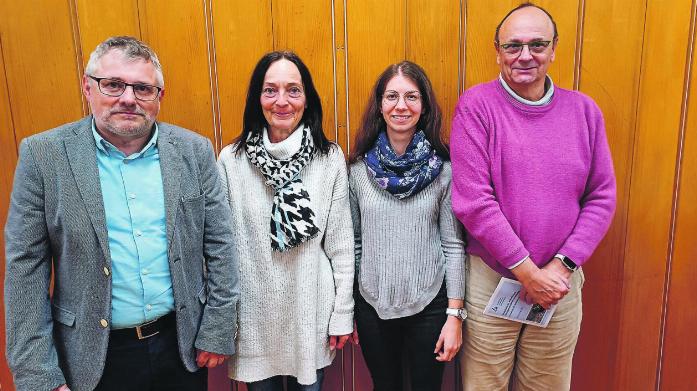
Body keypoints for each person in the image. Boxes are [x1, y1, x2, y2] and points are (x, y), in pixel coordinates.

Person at [4, 36, 239, 391]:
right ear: (88, 87)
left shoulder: (194, 151)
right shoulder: (43, 157)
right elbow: (25, 270)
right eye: (113, 84)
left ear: (159, 96)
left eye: (143, 88)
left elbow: (221, 243)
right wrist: (38, 376)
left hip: (180, 346)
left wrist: (219, 328)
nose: (128, 98)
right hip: (90, 359)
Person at [450, 3, 617, 391]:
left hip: (561, 282)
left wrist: (559, 269)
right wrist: (528, 273)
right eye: (513, 46)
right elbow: (474, 201)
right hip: (494, 280)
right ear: (497, 51)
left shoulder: (585, 112)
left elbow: (602, 197)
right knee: (482, 386)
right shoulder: (476, 107)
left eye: (537, 44)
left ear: (554, 48)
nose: (525, 56)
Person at [218, 51, 354, 391]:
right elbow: (222, 250)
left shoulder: (329, 158)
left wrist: (342, 315)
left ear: (307, 100)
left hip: (310, 314)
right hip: (253, 321)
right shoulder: (231, 162)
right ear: (257, 98)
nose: (282, 101)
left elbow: (341, 246)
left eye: (293, 90)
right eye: (271, 90)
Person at [348, 61, 466, 391]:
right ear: (380, 104)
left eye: (412, 97)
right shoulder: (357, 170)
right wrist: (353, 308)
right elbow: (354, 244)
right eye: (392, 96)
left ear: (424, 105)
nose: (401, 106)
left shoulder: (443, 170)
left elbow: (454, 245)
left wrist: (454, 316)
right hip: (372, 305)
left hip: (430, 305)